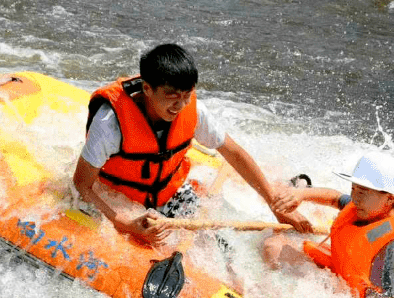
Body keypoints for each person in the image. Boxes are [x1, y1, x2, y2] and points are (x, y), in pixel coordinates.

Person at [73, 43, 310, 246]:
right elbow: (82, 185)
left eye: (187, 94)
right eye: (172, 95)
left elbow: (234, 154)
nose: (181, 104)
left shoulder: (194, 110)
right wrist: (124, 223)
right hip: (118, 198)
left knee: (217, 243)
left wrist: (274, 203)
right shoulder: (109, 122)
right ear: (147, 89)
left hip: (169, 192)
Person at [262, 153, 394, 298]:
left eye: (362, 192)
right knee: (275, 243)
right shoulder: (366, 207)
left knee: (273, 248)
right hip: (343, 281)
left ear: (390, 199)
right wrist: (300, 194)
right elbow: (335, 198)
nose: (355, 198)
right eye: (353, 188)